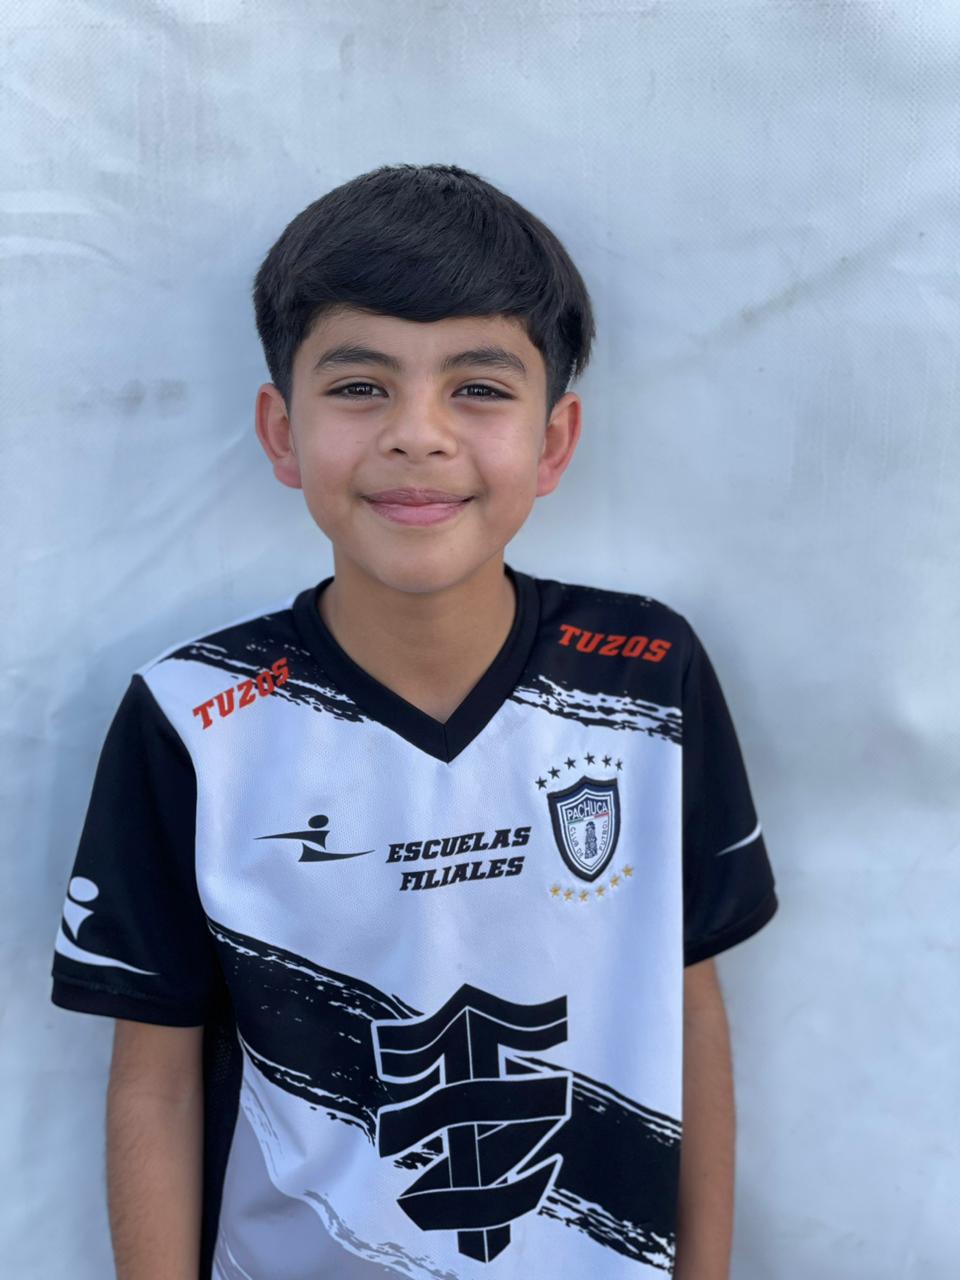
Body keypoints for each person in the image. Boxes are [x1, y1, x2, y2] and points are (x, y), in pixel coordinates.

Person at [50, 162, 778, 1280]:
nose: (418, 434)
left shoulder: (648, 676)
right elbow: (155, 1081)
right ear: (282, 431)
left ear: (555, 439)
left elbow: (689, 1012)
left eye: (478, 387)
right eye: (360, 385)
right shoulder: (194, 716)